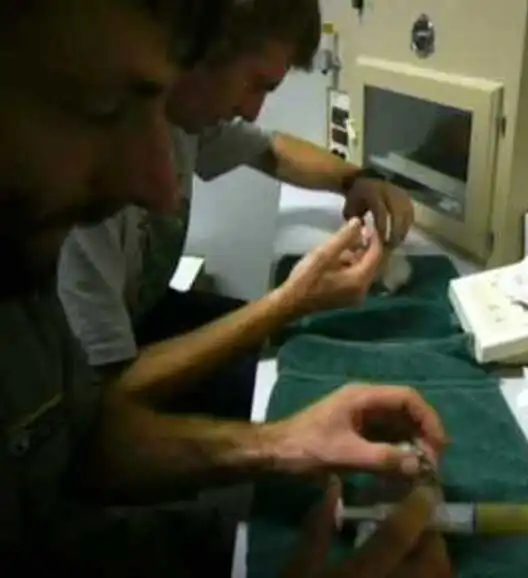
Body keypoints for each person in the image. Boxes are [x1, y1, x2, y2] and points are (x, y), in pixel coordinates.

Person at [0, 1, 445, 576]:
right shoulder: (58, 232)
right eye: (101, 107)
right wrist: (287, 302)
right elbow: (109, 393)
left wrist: (286, 443)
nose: (162, 187)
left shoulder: (22, 290)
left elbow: (88, 444)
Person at [57, 0, 415, 421]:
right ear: (197, 51)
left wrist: (357, 179)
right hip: (98, 388)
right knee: (303, 393)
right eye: (255, 84)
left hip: (149, 313)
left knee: (314, 340)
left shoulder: (186, 120)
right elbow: (103, 394)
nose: (252, 110)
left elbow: (271, 150)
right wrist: (287, 302)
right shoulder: (77, 199)